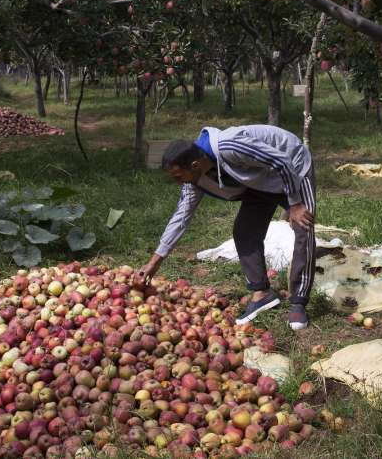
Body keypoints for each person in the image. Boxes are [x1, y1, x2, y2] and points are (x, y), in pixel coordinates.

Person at [133, 124, 317, 330]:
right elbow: (181, 217)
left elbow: (281, 161)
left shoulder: (231, 146)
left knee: (303, 226)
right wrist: (155, 262)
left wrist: (295, 203)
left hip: (293, 164)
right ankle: (262, 293)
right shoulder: (195, 178)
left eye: (178, 177)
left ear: (195, 165)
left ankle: (298, 302)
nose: (178, 183)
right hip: (259, 178)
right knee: (245, 231)